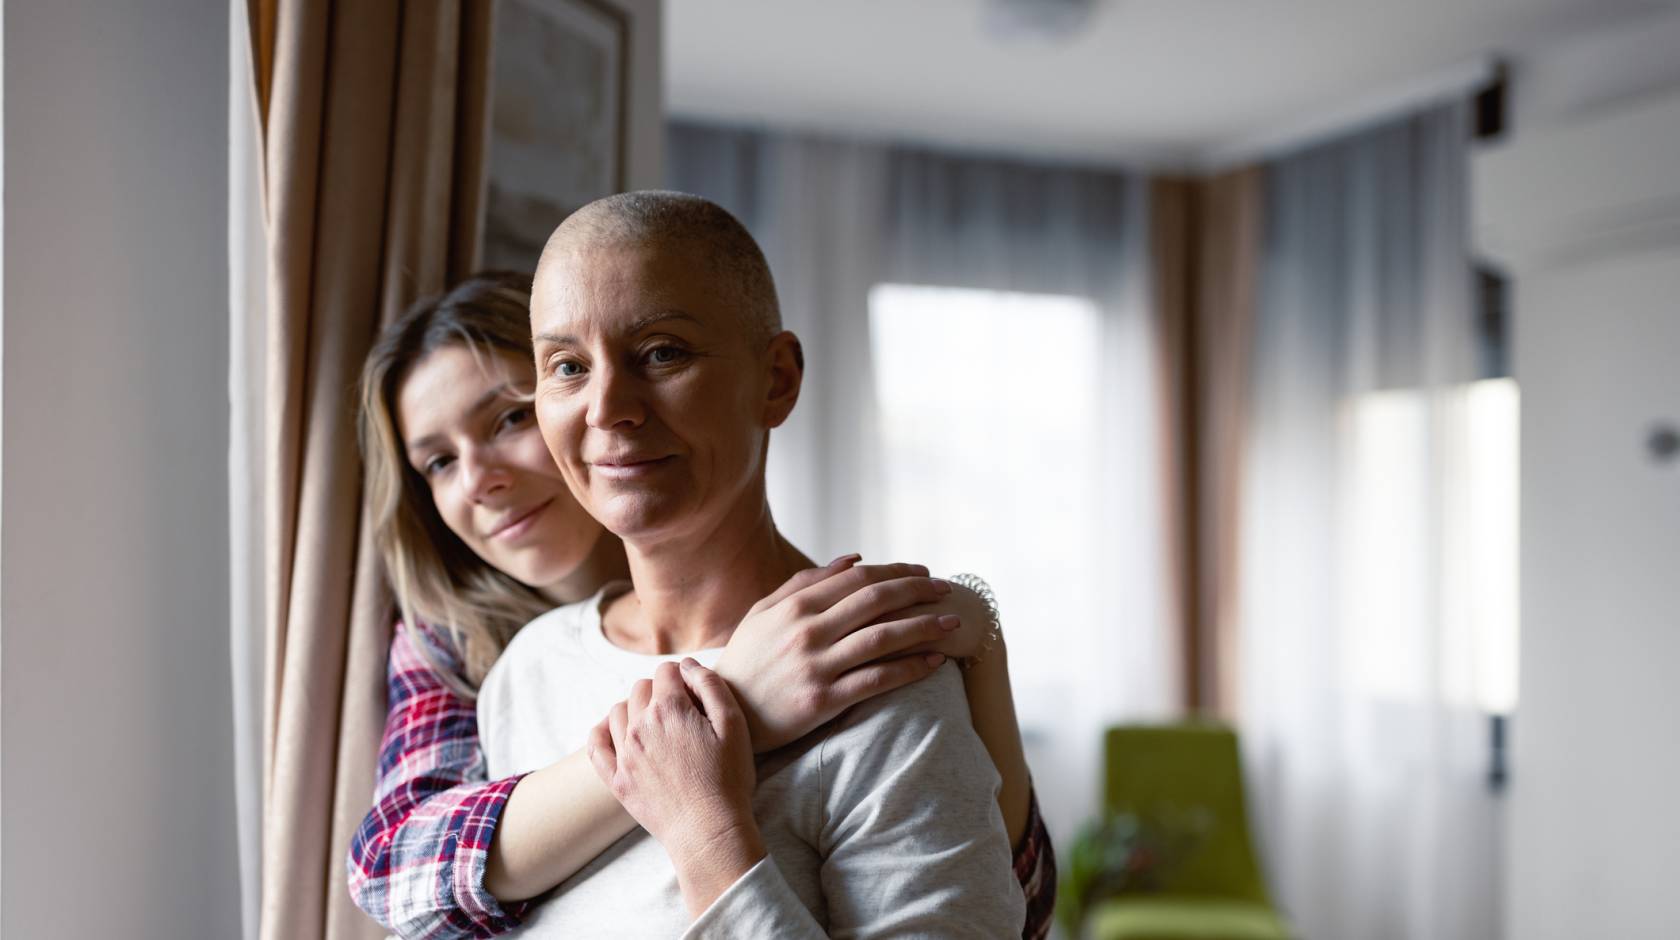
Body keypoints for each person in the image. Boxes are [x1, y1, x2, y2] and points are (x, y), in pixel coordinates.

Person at [348, 273, 1056, 938]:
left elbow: (1013, 908)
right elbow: (392, 869)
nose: (477, 481)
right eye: (438, 461)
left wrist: (981, 642)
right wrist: (723, 712)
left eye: (507, 420)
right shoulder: (459, 644)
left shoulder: (816, 637)